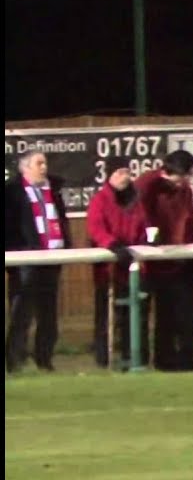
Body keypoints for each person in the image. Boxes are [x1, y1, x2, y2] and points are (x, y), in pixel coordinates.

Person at [135, 149, 193, 372]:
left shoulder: (184, 190)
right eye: (182, 177)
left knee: (182, 313)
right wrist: (150, 238)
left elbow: (189, 219)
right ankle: (144, 360)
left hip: (177, 259)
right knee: (146, 314)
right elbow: (140, 215)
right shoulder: (147, 184)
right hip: (151, 261)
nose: (184, 182)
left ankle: (181, 359)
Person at [4, 152, 70, 373]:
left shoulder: (53, 189)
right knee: (21, 312)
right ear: (25, 168)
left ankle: (44, 359)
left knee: (48, 314)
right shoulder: (12, 192)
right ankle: (14, 361)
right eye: (39, 163)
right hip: (25, 261)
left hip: (52, 259)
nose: (44, 167)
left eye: (45, 163)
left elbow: (60, 220)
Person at [86, 156, 149, 370]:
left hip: (133, 267)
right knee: (107, 316)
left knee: (135, 315)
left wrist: (148, 239)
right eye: (118, 173)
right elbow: (96, 229)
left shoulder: (136, 200)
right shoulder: (100, 200)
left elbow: (144, 225)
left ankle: (133, 357)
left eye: (126, 172)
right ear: (109, 176)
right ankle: (105, 360)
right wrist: (113, 244)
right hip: (109, 269)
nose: (124, 177)